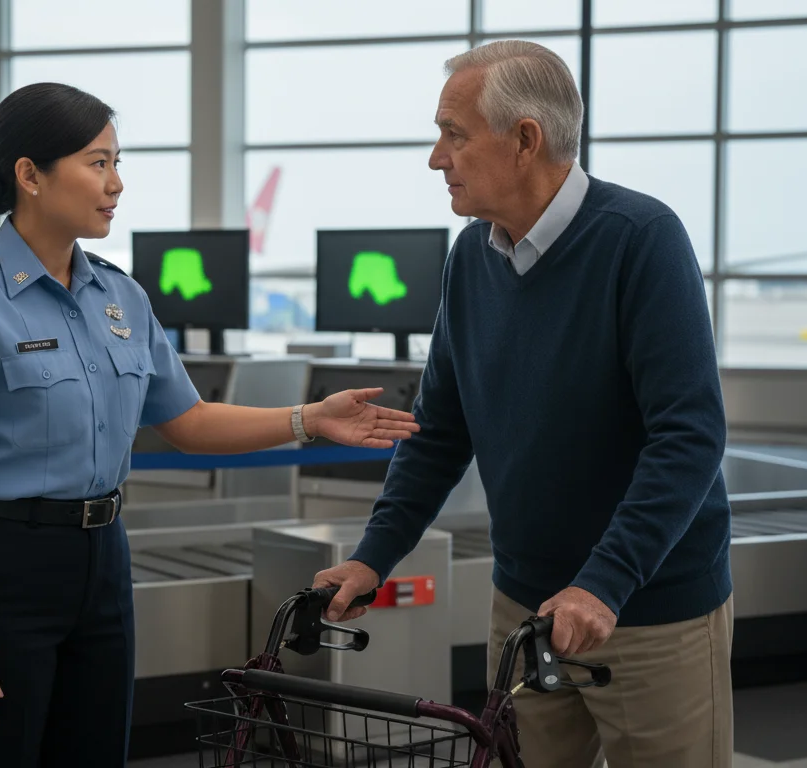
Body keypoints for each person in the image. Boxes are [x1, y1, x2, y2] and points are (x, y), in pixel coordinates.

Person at [0, 82, 421, 767]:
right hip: (4, 565)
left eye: (118, 162)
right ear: (29, 174)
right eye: (98, 163)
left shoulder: (120, 296)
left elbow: (190, 421)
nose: (116, 184)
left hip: (105, 562)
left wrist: (309, 418)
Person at [312, 40, 734, 768]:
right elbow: (439, 430)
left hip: (645, 610)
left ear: (525, 139)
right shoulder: (472, 257)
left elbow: (689, 436)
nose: (436, 158)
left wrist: (603, 584)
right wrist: (373, 557)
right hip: (523, 608)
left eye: (454, 134)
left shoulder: (641, 241)